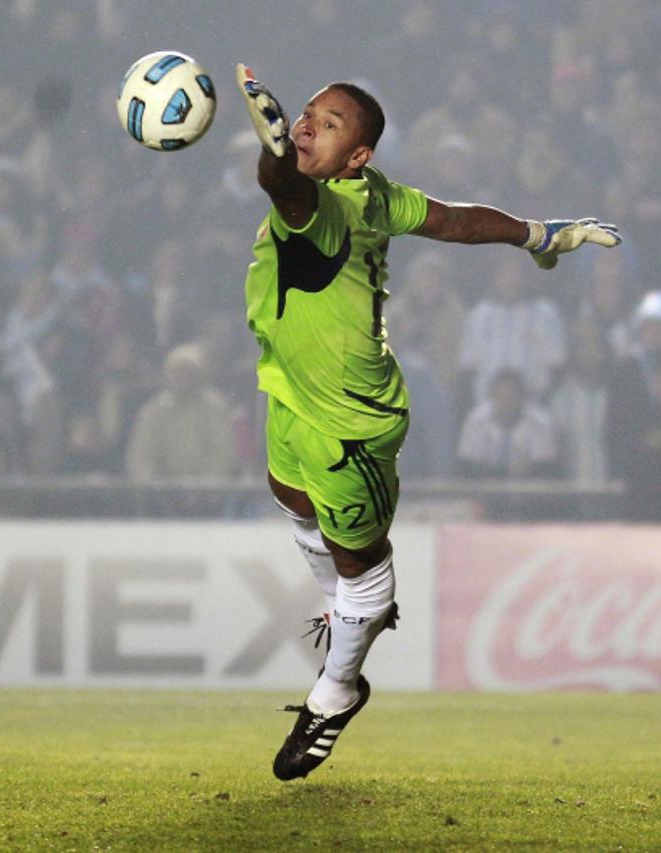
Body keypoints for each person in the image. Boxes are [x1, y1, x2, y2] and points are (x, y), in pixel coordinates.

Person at [234, 64, 621, 781]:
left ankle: (337, 689)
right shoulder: (374, 194)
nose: (310, 122)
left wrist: (275, 152)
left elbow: (281, 188)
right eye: (309, 112)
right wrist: (534, 233)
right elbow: (449, 218)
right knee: (289, 497)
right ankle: (346, 612)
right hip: (292, 393)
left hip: (349, 420)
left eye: (331, 122)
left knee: (363, 565)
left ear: (358, 158)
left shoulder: (324, 207)